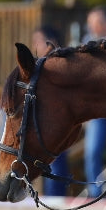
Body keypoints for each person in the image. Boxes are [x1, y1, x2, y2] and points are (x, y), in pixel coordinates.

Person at [31, 24, 71, 197]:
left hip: (59, 123)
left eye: (38, 42)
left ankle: (57, 197)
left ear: (51, 43)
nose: (35, 46)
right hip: (46, 124)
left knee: (56, 162)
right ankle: (52, 196)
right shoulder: (41, 66)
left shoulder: (62, 64)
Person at [82, 6, 106, 199]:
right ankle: (95, 193)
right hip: (98, 109)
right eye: (91, 24)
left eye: (96, 23)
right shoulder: (87, 45)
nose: (92, 28)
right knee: (92, 151)